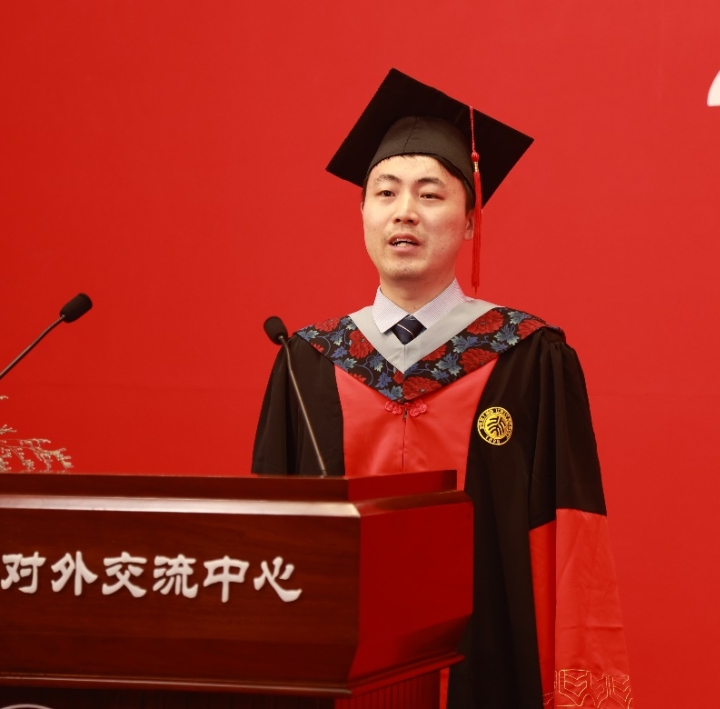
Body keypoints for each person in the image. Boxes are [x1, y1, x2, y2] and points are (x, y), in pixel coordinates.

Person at [253, 69, 632, 709]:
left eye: (430, 194)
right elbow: (269, 551)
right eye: (385, 193)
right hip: (336, 678)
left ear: (469, 221)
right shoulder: (308, 363)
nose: (404, 211)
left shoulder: (528, 357)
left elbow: (570, 540)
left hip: (488, 673)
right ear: (363, 213)